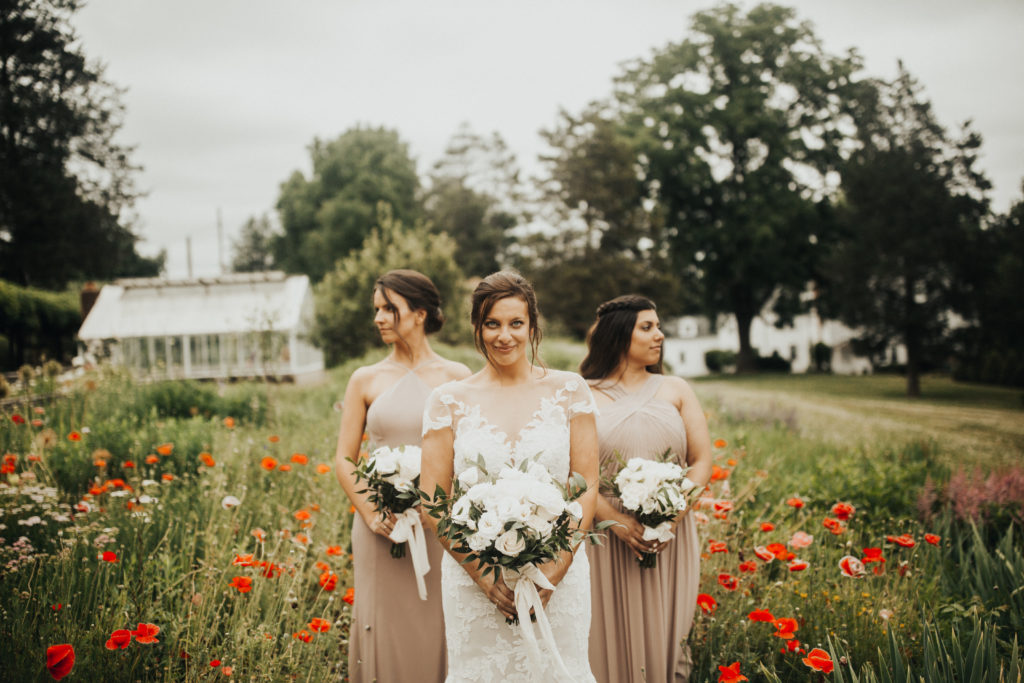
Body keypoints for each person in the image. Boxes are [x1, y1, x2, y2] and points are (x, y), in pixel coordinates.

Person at [420, 271, 600, 682]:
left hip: (559, 574)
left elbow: (586, 484)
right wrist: (483, 575)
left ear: (533, 326)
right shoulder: (448, 401)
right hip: (476, 577)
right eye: (492, 324)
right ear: (476, 328)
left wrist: (556, 567)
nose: (505, 336)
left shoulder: (569, 391)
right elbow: (433, 500)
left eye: (516, 323)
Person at [334, 269, 472, 683]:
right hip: (381, 527)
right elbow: (344, 458)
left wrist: (442, 508)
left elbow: (468, 457)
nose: (378, 318)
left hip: (438, 527)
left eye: (389, 309)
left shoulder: (457, 378)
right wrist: (373, 512)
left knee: (440, 623)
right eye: (376, 309)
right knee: (383, 623)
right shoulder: (365, 379)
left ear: (420, 313)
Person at [579, 295, 712, 683]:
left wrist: (672, 514)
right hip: (606, 534)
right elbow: (576, 473)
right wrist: (618, 522)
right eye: (648, 327)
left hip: (672, 535)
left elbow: (702, 461)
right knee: (606, 638)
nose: (660, 335)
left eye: (659, 326)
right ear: (620, 335)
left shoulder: (676, 388)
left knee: (671, 634)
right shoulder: (582, 393)